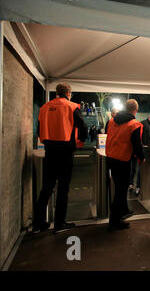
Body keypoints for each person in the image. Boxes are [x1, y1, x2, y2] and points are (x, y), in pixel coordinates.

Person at [32, 83, 88, 234]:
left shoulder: (44, 108)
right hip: (65, 151)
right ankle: (59, 224)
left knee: (46, 187)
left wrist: (46, 142)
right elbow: (83, 127)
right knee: (63, 189)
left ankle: (38, 224)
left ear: (57, 92)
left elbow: (39, 130)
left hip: (50, 151)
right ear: (68, 92)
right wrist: (80, 142)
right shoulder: (72, 106)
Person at [105, 99, 145, 231]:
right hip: (123, 159)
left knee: (118, 188)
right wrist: (141, 158)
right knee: (121, 191)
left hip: (110, 157)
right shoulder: (134, 124)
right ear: (136, 110)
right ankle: (114, 221)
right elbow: (137, 144)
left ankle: (123, 212)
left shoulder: (112, 121)